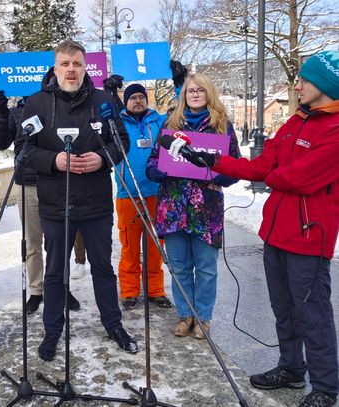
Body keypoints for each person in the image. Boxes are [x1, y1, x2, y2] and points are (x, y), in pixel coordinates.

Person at [185, 51, 339, 407]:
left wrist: (271, 176)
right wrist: (213, 160)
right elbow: (264, 164)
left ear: (325, 84)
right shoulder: (298, 120)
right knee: (283, 307)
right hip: (276, 232)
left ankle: (326, 387)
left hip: (308, 236)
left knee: (312, 313)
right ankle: (291, 367)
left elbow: (298, 178)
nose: (297, 84)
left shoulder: (334, 129)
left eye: (304, 79)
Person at [14, 39, 138, 361]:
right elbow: (22, 152)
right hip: (56, 206)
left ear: (86, 68)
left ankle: (113, 325)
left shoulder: (104, 101)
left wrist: (104, 158)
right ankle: (53, 330)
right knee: (56, 273)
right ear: (55, 68)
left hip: (95, 204)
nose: (72, 69)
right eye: (65, 64)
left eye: (77, 64)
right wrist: (53, 161)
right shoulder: (36, 103)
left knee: (102, 269)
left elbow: (121, 141)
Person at [146, 72, 240, 339]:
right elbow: (153, 160)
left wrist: (217, 175)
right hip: (174, 207)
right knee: (179, 265)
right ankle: (185, 314)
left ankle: (203, 317)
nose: (195, 94)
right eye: (190, 90)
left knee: (206, 267)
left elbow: (235, 167)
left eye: (200, 90)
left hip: (205, 209)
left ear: (209, 93)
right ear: (184, 95)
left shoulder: (223, 125)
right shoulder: (170, 123)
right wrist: (158, 170)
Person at [0, 91, 81, 314]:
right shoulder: (16, 112)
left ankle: (62, 286)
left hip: (57, 183)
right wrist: (2, 114)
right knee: (33, 243)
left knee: (59, 242)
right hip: (28, 184)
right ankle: (36, 290)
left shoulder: (60, 108)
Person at [116, 83, 172, 310]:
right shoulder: (117, 123)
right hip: (127, 194)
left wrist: (179, 86)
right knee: (129, 247)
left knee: (155, 246)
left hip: (155, 193)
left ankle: (155, 290)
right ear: (125, 101)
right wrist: (110, 95)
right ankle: (129, 291)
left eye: (141, 97)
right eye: (133, 98)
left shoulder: (158, 122)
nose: (138, 101)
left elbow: (179, 116)